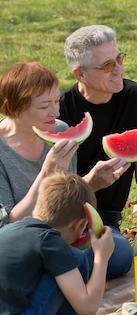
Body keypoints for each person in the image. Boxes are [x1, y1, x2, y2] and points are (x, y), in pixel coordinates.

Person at [60, 25, 137, 279]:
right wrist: (90, 185)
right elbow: (51, 194)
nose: (118, 70)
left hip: (104, 223)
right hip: (62, 221)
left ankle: (58, 265)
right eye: (107, 65)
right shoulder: (60, 112)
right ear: (79, 74)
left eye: (119, 59)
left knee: (120, 255)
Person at [0, 172, 114, 315]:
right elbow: (87, 308)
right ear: (79, 225)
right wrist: (101, 258)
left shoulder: (11, 230)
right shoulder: (50, 242)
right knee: (76, 258)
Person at [0, 62, 78, 228]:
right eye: (44, 106)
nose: (56, 112)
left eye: (57, 101)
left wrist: (93, 182)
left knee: (120, 250)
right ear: (15, 109)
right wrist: (47, 174)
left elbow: (67, 205)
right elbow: (7, 229)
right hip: (18, 245)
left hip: (60, 236)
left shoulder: (60, 130)